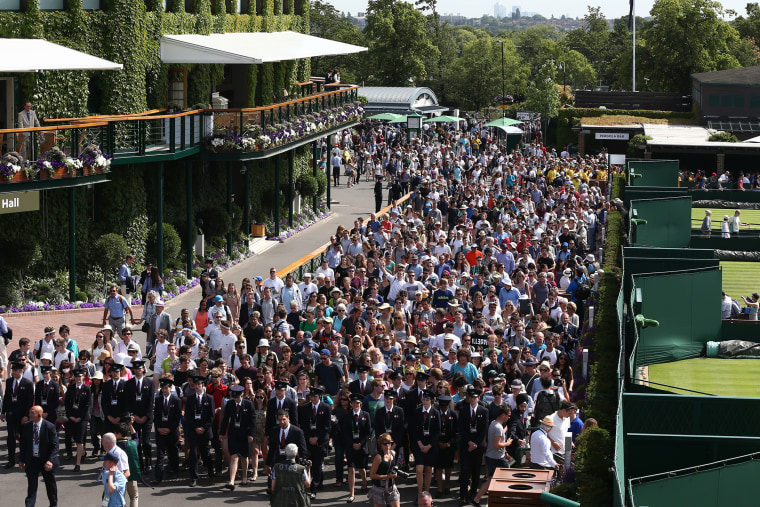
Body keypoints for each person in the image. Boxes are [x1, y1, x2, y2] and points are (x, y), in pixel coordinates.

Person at [472, 405, 514, 506]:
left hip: (491, 456)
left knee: (491, 479)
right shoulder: (498, 427)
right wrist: (507, 443)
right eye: (508, 416)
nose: (509, 418)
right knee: (507, 477)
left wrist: (504, 431)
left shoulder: (493, 424)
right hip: (498, 458)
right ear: (503, 415)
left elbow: (496, 435)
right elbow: (497, 445)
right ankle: (501, 499)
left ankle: (477, 499)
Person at [18, 405, 59, 507]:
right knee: (32, 486)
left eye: (32, 413)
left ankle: (53, 504)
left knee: (50, 486)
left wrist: (50, 460)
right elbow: (24, 444)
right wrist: (21, 460)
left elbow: (55, 446)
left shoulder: (49, 427)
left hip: (46, 461)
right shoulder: (27, 426)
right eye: (30, 412)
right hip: (32, 460)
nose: (30, 415)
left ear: (39, 415)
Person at [220, 384, 257, 490]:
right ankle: (231, 481)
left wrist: (251, 434)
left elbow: (253, 421)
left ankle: (244, 476)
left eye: (238, 397)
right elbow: (225, 419)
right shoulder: (230, 404)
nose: (236, 399)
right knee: (234, 456)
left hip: (245, 434)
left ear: (241, 395)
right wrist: (222, 433)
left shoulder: (248, 404)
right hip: (234, 433)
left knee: (244, 457)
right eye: (234, 397)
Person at [298, 386, 331, 498]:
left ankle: (314, 487)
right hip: (309, 440)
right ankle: (317, 482)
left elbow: (327, 426)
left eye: (315, 396)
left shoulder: (325, 408)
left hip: (320, 441)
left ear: (319, 397)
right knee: (309, 463)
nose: (312, 398)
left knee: (317, 463)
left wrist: (317, 438)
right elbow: (303, 425)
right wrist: (309, 438)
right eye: (311, 396)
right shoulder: (305, 407)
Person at [458, 386, 489, 506]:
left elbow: (483, 430)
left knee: (476, 471)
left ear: (478, 398)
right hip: (466, 445)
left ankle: (473, 493)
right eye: (470, 397)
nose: (472, 399)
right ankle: (463, 495)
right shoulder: (463, 410)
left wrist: (475, 443)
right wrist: (469, 443)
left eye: (474, 397)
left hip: (478, 446)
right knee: (465, 471)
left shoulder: (484, 411)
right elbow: (461, 429)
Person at [184, 375, 215, 487]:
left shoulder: (209, 398)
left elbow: (211, 416)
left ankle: (210, 470)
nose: (197, 386)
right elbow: (188, 416)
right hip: (193, 430)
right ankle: (194, 477)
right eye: (195, 384)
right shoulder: (190, 398)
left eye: (199, 384)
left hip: (204, 430)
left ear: (203, 385)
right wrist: (195, 428)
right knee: (193, 453)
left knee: (206, 452)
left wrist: (204, 428)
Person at [2, 361, 35, 468]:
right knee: (11, 436)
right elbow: (6, 397)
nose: (14, 372)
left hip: (22, 416)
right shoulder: (9, 381)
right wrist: (3, 412)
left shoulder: (28, 383)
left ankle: (23, 458)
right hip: (11, 414)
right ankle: (11, 459)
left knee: (23, 437)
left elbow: (30, 401)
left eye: (16, 370)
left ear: (21, 371)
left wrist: (27, 415)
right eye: (13, 370)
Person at [341, 392, 372, 503]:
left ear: (361, 404)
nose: (355, 405)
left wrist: (361, 444)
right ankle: (352, 494)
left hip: (362, 446)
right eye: (353, 403)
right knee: (351, 469)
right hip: (350, 446)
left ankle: (364, 482)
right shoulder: (347, 416)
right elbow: (345, 432)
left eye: (357, 403)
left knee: (361, 468)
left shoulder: (366, 415)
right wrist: (352, 443)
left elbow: (368, 432)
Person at [152, 376, 182, 485]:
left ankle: (176, 471)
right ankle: (158, 477)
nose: (164, 390)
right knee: (160, 454)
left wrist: (169, 429)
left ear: (170, 388)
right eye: (162, 388)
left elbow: (177, 417)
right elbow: (156, 416)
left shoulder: (176, 400)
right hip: (160, 431)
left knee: (173, 452)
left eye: (166, 388)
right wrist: (159, 428)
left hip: (171, 432)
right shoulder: (158, 400)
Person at [63, 368, 91, 472]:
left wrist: (80, 417)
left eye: (80, 376)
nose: (78, 378)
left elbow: (87, 405)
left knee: (79, 440)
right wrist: (70, 416)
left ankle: (77, 463)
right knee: (73, 437)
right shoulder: (70, 388)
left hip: (82, 418)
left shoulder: (87, 388)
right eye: (76, 377)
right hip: (72, 416)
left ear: (83, 377)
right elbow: (67, 404)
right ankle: (82, 452)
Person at [270, 442, 311, 507]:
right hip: (297, 501)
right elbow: (307, 485)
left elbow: (273, 487)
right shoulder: (301, 469)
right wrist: (308, 470)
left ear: (285, 453)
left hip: (280, 501)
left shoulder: (276, 467)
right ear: (297, 453)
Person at [367, 432, 401, 507]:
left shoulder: (393, 453)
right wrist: (387, 477)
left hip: (391, 487)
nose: (387, 445)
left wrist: (396, 473)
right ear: (381, 445)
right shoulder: (378, 457)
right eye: (385, 444)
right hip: (379, 488)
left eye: (389, 443)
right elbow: (372, 475)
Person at [114, 422, 140, 507]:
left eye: (115, 432)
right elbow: (136, 437)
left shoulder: (114, 447)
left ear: (119, 434)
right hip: (131, 476)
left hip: (117, 477)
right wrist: (131, 425)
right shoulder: (133, 444)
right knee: (134, 497)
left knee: (120, 498)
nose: (114, 434)